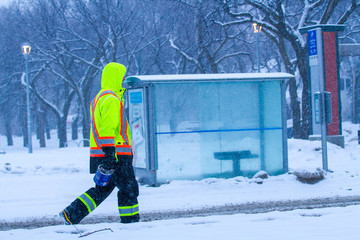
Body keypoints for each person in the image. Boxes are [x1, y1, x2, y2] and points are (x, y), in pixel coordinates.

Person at [60, 62, 139, 224]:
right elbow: (107, 129)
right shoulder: (112, 99)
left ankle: (71, 214)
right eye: (122, 76)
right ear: (116, 77)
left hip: (104, 152)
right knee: (129, 188)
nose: (124, 79)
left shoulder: (100, 98)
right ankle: (131, 221)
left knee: (102, 189)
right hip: (117, 154)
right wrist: (110, 155)